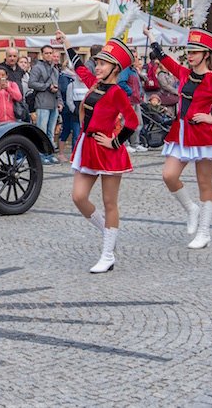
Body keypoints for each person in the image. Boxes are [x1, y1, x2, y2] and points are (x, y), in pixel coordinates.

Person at [145, 25, 212, 249]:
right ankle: (191, 209)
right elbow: (164, 59)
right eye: (189, 51)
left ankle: (204, 232)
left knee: (204, 183)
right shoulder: (184, 73)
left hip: (203, 136)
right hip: (180, 133)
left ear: (206, 54)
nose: (190, 55)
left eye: (195, 52)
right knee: (169, 175)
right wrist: (152, 37)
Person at [56, 30, 139, 273]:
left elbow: (132, 121)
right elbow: (80, 67)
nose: (98, 67)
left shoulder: (117, 93)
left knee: (109, 202)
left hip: (109, 152)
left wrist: (115, 142)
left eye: (103, 64)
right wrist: (67, 43)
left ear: (115, 68)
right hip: (88, 147)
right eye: (98, 63)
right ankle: (107, 231)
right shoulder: (95, 84)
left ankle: (108, 254)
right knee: (78, 197)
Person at [29, 45, 60, 164]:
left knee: (51, 132)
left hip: (53, 103)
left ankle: (49, 154)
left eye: (50, 53)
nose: (49, 55)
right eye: (46, 53)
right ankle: (40, 155)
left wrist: (60, 101)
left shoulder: (55, 69)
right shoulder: (37, 67)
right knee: (41, 131)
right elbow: (32, 83)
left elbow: (58, 87)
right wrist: (47, 86)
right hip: (42, 103)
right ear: (42, 54)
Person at [116, 52, 147, 153]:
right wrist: (130, 92)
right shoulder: (125, 70)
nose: (137, 59)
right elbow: (121, 82)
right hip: (128, 100)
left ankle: (135, 144)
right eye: (135, 57)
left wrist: (139, 93)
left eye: (137, 57)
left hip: (135, 100)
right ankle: (125, 144)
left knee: (137, 123)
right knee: (126, 123)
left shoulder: (134, 70)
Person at [59, 54, 88, 160]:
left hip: (87, 113)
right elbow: (69, 101)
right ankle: (75, 155)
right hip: (76, 113)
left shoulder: (88, 85)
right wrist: (75, 111)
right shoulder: (71, 85)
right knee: (76, 134)